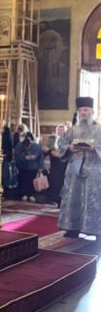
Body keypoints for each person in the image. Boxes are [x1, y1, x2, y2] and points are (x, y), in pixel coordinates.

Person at [58, 97, 101, 238]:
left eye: (86, 110)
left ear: (92, 111)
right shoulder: (72, 130)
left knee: (93, 199)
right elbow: (62, 144)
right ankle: (72, 227)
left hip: (94, 169)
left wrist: (94, 148)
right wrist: (69, 148)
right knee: (73, 198)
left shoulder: (99, 129)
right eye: (81, 110)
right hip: (74, 169)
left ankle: (95, 229)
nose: (83, 113)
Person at [45, 122, 71, 206]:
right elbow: (45, 149)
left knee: (62, 182)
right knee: (54, 181)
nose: (60, 131)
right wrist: (51, 151)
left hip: (63, 163)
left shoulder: (68, 140)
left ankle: (61, 200)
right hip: (54, 163)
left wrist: (60, 154)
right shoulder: (51, 139)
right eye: (59, 130)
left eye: (62, 130)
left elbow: (70, 150)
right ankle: (53, 199)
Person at [14, 132, 44, 202]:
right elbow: (17, 155)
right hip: (22, 166)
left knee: (32, 181)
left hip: (33, 167)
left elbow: (40, 157)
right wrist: (25, 157)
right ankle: (23, 194)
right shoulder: (19, 145)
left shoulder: (36, 146)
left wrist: (40, 167)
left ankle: (31, 195)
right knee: (23, 181)